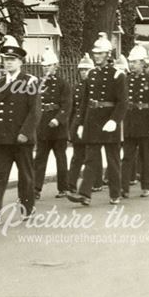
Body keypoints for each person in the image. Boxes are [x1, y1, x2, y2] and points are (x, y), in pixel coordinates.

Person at [0, 35, 41, 221]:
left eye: (12, 60)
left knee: (25, 175)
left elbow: (35, 111)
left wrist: (25, 132)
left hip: (21, 138)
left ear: (20, 62)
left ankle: (27, 207)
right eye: (6, 60)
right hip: (3, 138)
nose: (8, 63)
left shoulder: (30, 81)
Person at [67, 32, 128, 205]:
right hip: (92, 120)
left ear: (108, 55)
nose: (97, 56)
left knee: (113, 160)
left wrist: (114, 121)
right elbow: (84, 103)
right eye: (95, 53)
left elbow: (122, 102)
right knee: (91, 159)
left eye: (100, 53)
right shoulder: (91, 75)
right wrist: (79, 123)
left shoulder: (118, 75)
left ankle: (115, 193)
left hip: (109, 120)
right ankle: (85, 194)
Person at [121, 45, 149, 198]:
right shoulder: (126, 80)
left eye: (135, 62)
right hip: (130, 123)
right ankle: (123, 187)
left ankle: (147, 186)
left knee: (146, 157)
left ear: (143, 63)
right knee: (127, 157)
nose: (132, 64)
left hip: (146, 123)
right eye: (131, 62)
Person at [33, 47, 72, 200]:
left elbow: (67, 105)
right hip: (42, 125)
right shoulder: (37, 83)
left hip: (58, 127)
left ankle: (63, 187)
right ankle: (36, 188)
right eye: (43, 66)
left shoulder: (63, 84)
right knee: (40, 158)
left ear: (55, 66)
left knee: (60, 158)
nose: (45, 68)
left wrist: (58, 119)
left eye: (48, 65)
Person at [66, 53, 95, 196]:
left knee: (91, 156)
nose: (84, 73)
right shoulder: (76, 88)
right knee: (77, 156)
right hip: (78, 125)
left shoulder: (95, 87)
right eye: (82, 70)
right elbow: (72, 109)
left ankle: (95, 183)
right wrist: (71, 128)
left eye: (86, 70)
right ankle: (71, 184)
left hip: (90, 124)